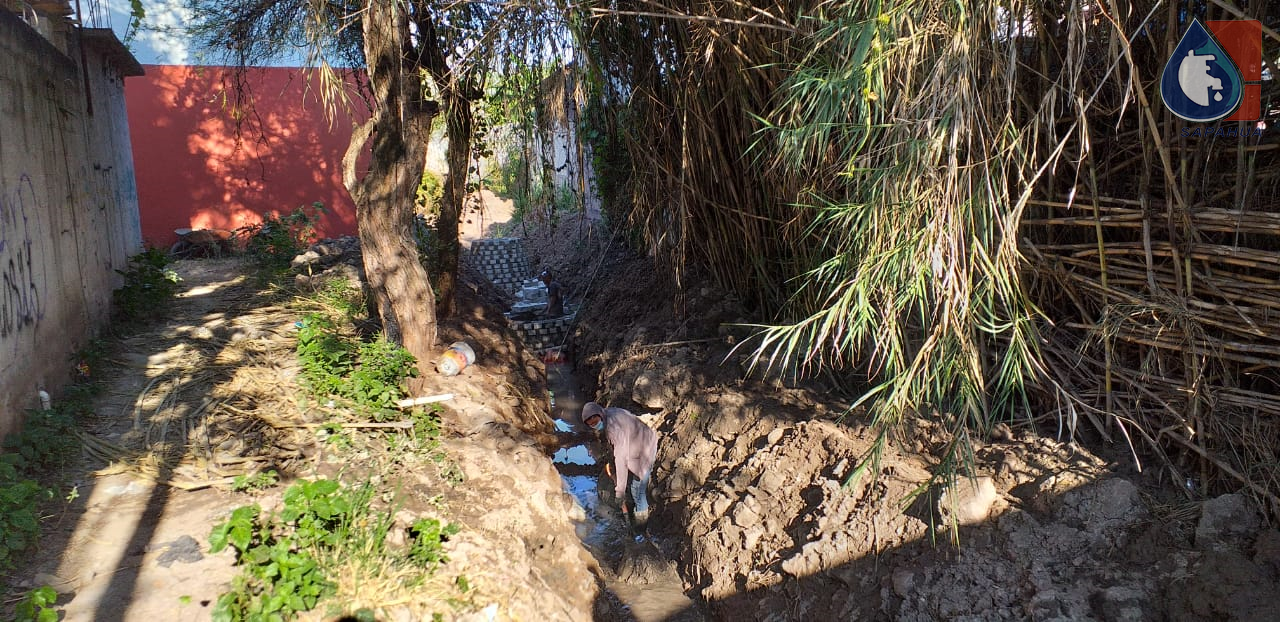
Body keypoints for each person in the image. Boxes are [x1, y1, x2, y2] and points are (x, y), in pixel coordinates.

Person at [582, 401, 658, 526]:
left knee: (638, 491)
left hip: (645, 447)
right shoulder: (608, 413)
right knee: (634, 488)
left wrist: (620, 491)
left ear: (599, 415)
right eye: (591, 425)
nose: (595, 426)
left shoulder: (613, 429)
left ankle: (641, 526)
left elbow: (621, 459)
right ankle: (638, 519)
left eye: (595, 423)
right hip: (639, 442)